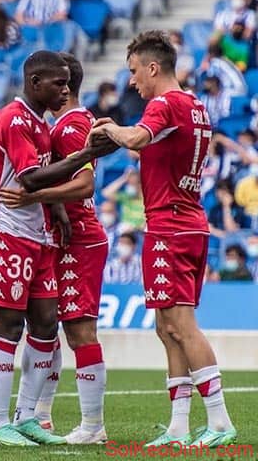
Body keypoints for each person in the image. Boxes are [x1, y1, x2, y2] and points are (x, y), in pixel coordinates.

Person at [88, 30, 236, 448]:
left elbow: (136, 138)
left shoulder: (164, 103)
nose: (132, 81)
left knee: (181, 325)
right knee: (165, 327)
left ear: (153, 68)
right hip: (187, 221)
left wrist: (112, 129)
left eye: (134, 71)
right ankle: (178, 426)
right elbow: (157, 148)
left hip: (170, 225)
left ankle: (220, 422)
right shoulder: (194, 106)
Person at [0, 49, 115, 446]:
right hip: (8, 234)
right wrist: (87, 154)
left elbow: (45, 180)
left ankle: (27, 417)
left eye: (68, 84)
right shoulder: (17, 119)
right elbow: (32, 178)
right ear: (36, 83)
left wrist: (58, 208)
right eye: (59, 84)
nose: (65, 90)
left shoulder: (41, 124)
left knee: (45, 325)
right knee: (8, 326)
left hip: (40, 237)